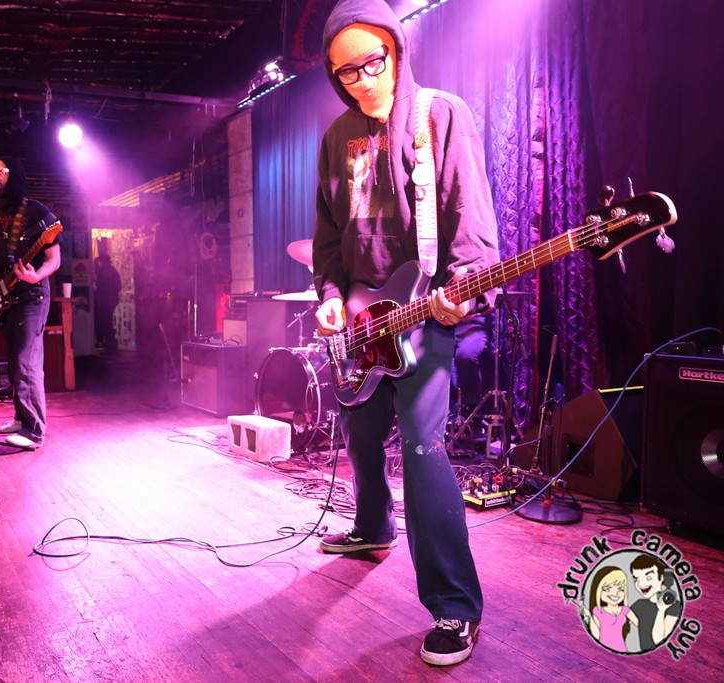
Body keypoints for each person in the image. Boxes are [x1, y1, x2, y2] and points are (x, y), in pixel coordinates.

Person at [312, 0, 500, 667]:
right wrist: (331, 299)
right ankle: (372, 526)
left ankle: (455, 605)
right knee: (360, 432)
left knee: (422, 448)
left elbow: (470, 219)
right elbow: (328, 236)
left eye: (374, 62)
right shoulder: (336, 138)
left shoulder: (439, 115)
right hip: (364, 319)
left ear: (396, 51)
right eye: (347, 72)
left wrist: (465, 287)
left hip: (426, 316)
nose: (363, 80)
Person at [0, 156, 61, 450]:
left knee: (25, 360)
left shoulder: (35, 211)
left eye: (1, 171)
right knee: (15, 361)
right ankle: (22, 419)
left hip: (32, 295)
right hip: (5, 297)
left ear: (15, 175)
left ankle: (34, 431)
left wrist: (37, 276)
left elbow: (54, 259)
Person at [628, 555, 681, 652]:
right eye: (636, 579)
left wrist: (661, 610)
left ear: (661, 578)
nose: (641, 584)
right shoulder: (639, 605)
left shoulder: (674, 606)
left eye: (648, 577)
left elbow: (659, 641)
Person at [93, 253, 122, 354]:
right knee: (108, 321)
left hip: (105, 300)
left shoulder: (102, 271)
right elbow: (119, 286)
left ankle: (111, 345)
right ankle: (112, 345)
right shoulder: (114, 271)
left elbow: (98, 286)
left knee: (106, 322)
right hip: (112, 300)